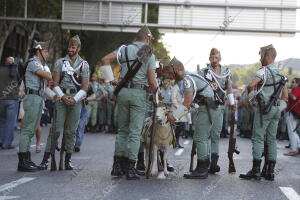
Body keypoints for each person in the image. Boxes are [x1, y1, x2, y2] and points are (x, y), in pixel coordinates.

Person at [101, 25, 158, 180]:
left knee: (122, 131)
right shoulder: (148, 53)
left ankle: (117, 166)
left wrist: (111, 80)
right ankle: (131, 168)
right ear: (146, 39)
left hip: (123, 92)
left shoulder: (124, 49)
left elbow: (105, 60)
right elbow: (152, 82)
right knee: (135, 132)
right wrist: (157, 95)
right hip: (139, 94)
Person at [39, 35, 90, 170]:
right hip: (61, 97)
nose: (70, 49)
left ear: (78, 48)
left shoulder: (84, 64)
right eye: (69, 47)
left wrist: (75, 99)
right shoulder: (60, 62)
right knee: (55, 129)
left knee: (71, 131)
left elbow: (85, 87)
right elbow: (54, 83)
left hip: (76, 99)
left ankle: (67, 160)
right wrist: (62, 97)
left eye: (73, 47)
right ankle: (46, 159)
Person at [239, 44, 288, 181]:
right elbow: (285, 96)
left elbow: (250, 85)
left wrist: (251, 99)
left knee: (258, 138)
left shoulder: (263, 72)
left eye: (261, 54)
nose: (260, 57)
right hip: (277, 110)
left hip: (263, 109)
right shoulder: (281, 74)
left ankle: (256, 170)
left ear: (267, 56)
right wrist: (278, 108)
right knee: (272, 139)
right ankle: (271, 172)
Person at [166, 57, 216, 179]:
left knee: (200, 138)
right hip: (204, 107)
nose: (170, 75)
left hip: (206, 108)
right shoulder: (187, 78)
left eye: (171, 72)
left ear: (178, 69)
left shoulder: (187, 80)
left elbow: (187, 103)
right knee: (202, 137)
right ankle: (204, 166)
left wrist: (173, 117)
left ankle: (202, 170)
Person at [17, 41, 53, 172]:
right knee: (27, 130)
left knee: (31, 129)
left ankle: (27, 159)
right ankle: (22, 161)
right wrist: (54, 75)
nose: (47, 54)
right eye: (46, 51)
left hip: (38, 97)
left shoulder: (40, 64)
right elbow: (48, 77)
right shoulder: (34, 62)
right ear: (39, 51)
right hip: (32, 97)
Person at [199, 48, 235, 174]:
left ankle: (214, 163)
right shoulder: (204, 72)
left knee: (216, 135)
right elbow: (198, 88)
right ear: (209, 58)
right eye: (211, 57)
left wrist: (232, 103)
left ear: (220, 58)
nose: (214, 60)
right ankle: (205, 161)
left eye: (216, 58)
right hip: (207, 107)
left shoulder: (226, 72)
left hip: (219, 107)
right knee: (205, 135)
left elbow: (229, 88)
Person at [0, 56, 20, 149]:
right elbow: (19, 81)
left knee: (2, 121)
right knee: (10, 123)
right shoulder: (15, 72)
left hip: (1, 99)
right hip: (12, 99)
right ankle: (6, 143)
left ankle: (1, 141)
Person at [284, 78, 300, 156]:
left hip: (293, 113)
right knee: (294, 132)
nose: (291, 83)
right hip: (295, 113)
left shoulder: (297, 89)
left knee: (291, 132)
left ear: (297, 83)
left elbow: (294, 98)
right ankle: (298, 148)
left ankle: (294, 150)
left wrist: (289, 92)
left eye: (293, 82)